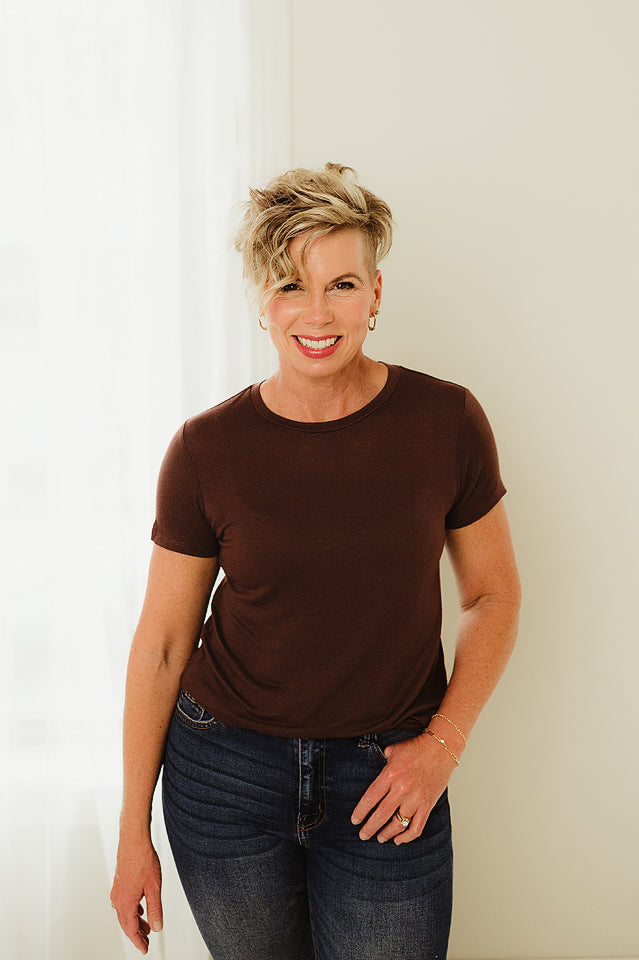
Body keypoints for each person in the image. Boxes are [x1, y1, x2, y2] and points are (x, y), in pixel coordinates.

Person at [110, 163, 521, 959]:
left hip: (387, 774)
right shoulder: (204, 449)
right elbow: (161, 644)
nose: (317, 313)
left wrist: (443, 743)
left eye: (341, 284)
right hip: (223, 776)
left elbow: (493, 597)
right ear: (262, 301)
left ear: (375, 292)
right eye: (290, 286)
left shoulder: (446, 421)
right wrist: (133, 832)